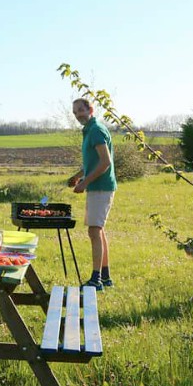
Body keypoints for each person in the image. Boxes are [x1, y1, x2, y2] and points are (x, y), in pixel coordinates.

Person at [67, 98, 117, 291]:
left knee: (94, 231)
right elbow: (93, 161)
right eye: (75, 112)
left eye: (81, 110)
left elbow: (105, 162)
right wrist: (78, 176)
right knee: (99, 230)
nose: (78, 115)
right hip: (96, 187)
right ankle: (105, 277)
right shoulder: (89, 130)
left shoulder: (96, 130)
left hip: (101, 187)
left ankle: (96, 280)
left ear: (90, 109)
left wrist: (85, 183)